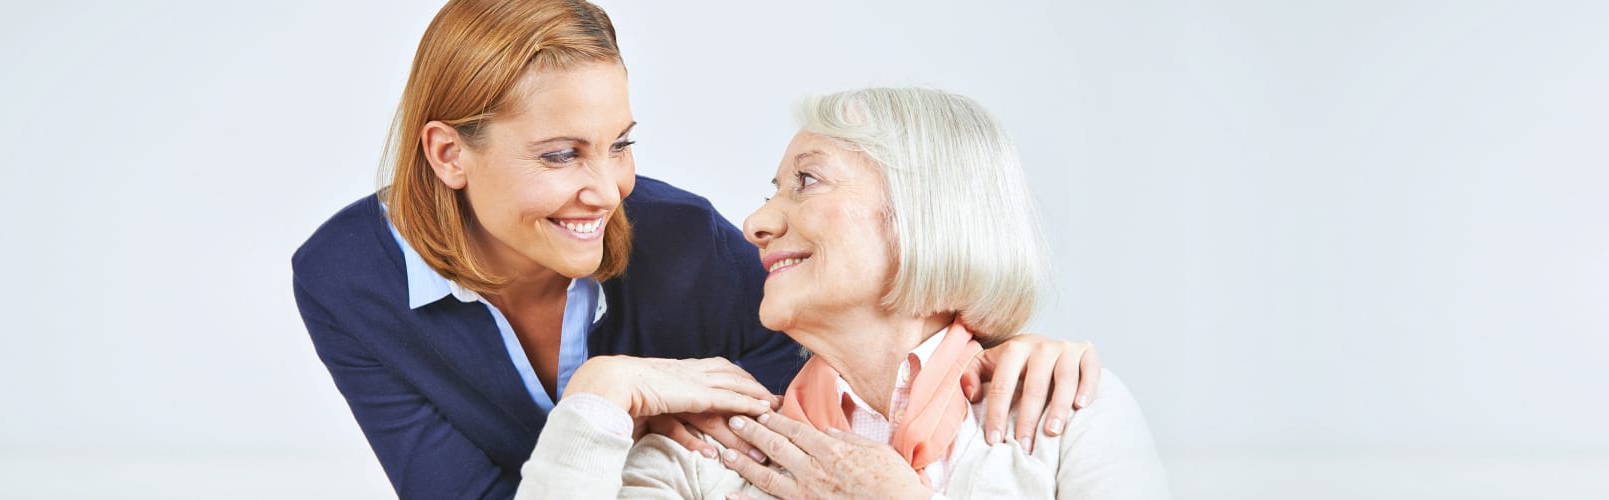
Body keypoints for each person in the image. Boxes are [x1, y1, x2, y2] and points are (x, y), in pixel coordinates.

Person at [290, 2, 1102, 497]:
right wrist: (609, 395)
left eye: (620, 144)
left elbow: (877, 343)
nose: (608, 192)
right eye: (560, 154)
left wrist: (1006, 340)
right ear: (447, 155)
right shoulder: (344, 280)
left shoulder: (680, 240)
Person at [516, 88, 1169, 499]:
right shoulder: (704, 459)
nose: (757, 224)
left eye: (806, 182)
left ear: (926, 211)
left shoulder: (1069, 415)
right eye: (771, 191)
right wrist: (598, 391)